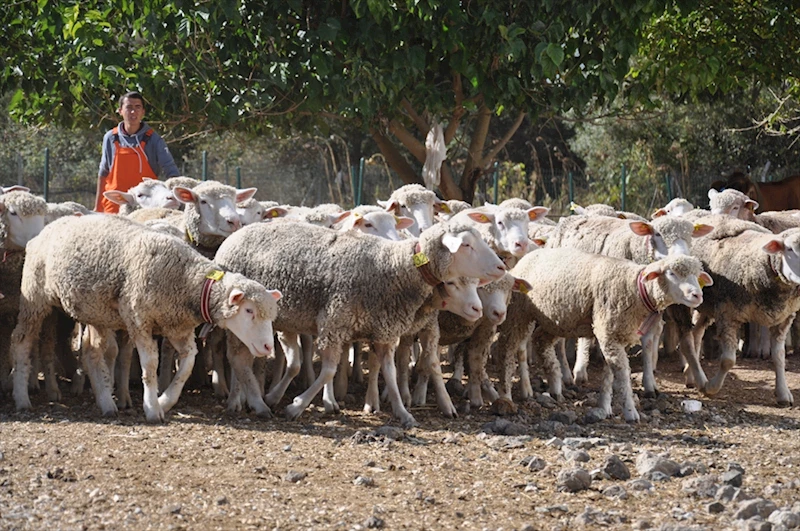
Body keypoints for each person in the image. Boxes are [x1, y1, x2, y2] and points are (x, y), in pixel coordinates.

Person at [95, 91, 180, 213]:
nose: (133, 112)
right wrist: (97, 207)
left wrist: (176, 199)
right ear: (120, 111)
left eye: (137, 107)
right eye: (129, 107)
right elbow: (103, 173)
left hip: (146, 209)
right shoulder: (110, 138)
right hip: (113, 208)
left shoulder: (154, 139)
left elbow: (171, 171)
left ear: (143, 112)